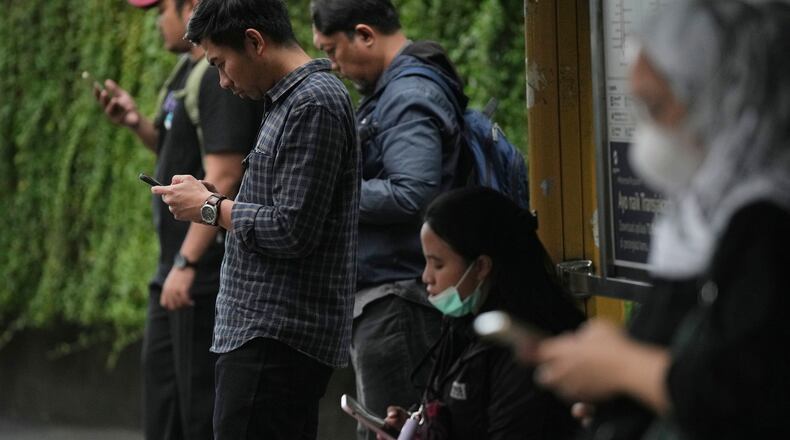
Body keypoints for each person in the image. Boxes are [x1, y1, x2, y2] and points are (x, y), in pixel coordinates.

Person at [534, 1, 790, 439]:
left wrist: (620, 367)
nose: (647, 132)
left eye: (656, 105)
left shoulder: (768, 222)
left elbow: (748, 395)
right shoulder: (701, 213)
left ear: (729, 93)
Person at [152, 0, 360, 438]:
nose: (223, 81)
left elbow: (292, 229)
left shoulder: (313, 102)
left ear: (254, 42)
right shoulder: (287, 100)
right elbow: (281, 209)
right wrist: (211, 199)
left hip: (275, 339)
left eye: (221, 64)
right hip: (264, 336)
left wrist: (211, 208)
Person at [94, 0, 262, 438]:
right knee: (166, 406)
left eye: (161, 9)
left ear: (191, 6)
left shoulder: (214, 79)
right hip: (175, 267)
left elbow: (223, 174)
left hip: (200, 273)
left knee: (196, 407)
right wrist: (137, 124)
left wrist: (186, 264)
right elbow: (182, 160)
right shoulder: (185, 75)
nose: (156, 21)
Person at [310, 2, 467, 437]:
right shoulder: (396, 90)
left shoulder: (407, 95)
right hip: (395, 297)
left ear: (364, 33)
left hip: (400, 302)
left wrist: (329, 193)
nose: (335, 66)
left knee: (393, 431)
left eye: (333, 50)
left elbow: (412, 192)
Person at [379, 187, 585, 440]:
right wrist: (416, 428)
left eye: (438, 264)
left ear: (481, 266)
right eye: (426, 262)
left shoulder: (522, 347)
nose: (426, 277)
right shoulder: (462, 325)